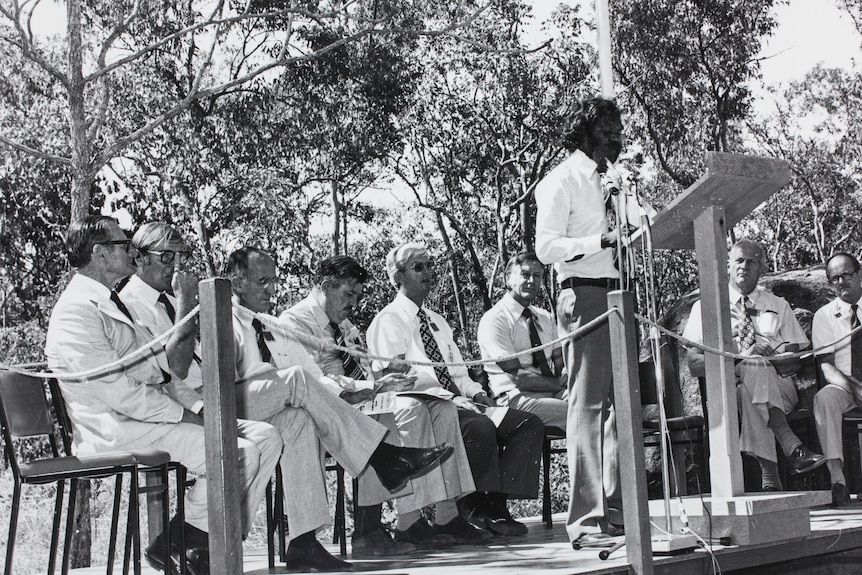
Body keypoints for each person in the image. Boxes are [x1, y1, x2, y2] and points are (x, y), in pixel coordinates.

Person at [45, 216, 283, 575]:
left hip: (144, 418)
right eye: (123, 244)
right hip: (113, 428)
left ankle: (186, 543)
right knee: (235, 453)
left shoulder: (110, 301)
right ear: (100, 254)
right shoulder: (76, 310)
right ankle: (188, 546)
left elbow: (164, 375)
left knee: (265, 437)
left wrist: (202, 409)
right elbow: (119, 392)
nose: (130, 250)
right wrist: (185, 416)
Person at [225, 247, 452, 572]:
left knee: (301, 417)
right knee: (297, 380)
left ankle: (303, 543)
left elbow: (317, 383)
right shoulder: (223, 321)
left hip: (284, 406)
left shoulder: (273, 325)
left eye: (273, 281)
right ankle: (385, 459)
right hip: (234, 407)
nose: (272, 289)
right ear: (236, 282)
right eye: (263, 281)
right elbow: (226, 381)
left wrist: (370, 387)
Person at [282, 255, 483, 553]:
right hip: (320, 408)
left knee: (419, 410)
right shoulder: (295, 321)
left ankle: (425, 518)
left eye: (358, 296)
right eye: (348, 294)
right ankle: (380, 527)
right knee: (395, 416)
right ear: (325, 286)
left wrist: (385, 376)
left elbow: (362, 369)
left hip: (357, 401)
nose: (354, 303)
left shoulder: (345, 323)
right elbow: (313, 381)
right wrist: (372, 386)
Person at [367, 242, 545, 538]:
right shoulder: (389, 321)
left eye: (430, 265)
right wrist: (458, 400)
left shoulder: (436, 321)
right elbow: (402, 380)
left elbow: (457, 372)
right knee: (479, 427)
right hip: (426, 408)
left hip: (461, 401)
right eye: (418, 267)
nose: (428, 272)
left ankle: (493, 506)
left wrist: (475, 393)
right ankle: (460, 511)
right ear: (398, 276)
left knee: (526, 423)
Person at [534, 96, 625, 546]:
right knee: (588, 406)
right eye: (611, 127)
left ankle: (616, 511)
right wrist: (600, 240)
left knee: (617, 407)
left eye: (620, 128)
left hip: (621, 296)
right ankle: (585, 523)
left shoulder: (615, 180)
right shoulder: (562, 180)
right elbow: (545, 248)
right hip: (584, 295)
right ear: (587, 130)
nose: (619, 136)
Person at [684, 239, 826, 492]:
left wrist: (769, 358)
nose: (744, 266)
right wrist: (741, 357)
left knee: (753, 378)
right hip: (728, 390)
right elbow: (695, 364)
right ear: (729, 264)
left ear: (761, 266)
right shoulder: (706, 307)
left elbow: (794, 361)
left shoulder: (777, 305)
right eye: (739, 260)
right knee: (749, 377)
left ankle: (771, 474)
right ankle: (791, 450)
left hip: (780, 388)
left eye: (752, 261)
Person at [477, 252, 567, 430]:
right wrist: (559, 384)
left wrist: (567, 375)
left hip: (552, 393)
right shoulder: (495, 319)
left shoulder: (545, 317)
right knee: (583, 413)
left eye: (537, 276)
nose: (532, 281)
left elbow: (559, 361)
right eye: (525, 274)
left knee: (596, 404)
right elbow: (518, 378)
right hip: (515, 399)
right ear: (508, 278)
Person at [812, 252, 862, 506]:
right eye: (835, 278)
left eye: (847, 275)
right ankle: (837, 480)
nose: (842, 282)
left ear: (860, 274)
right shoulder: (824, 316)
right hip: (846, 387)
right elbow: (827, 367)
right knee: (824, 398)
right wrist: (856, 389)